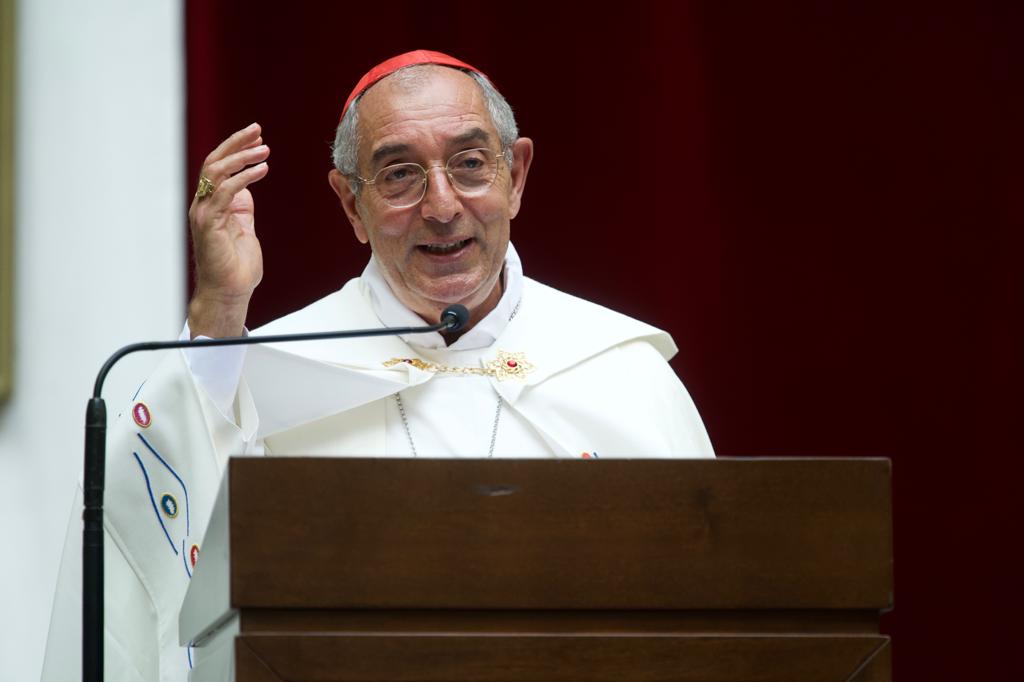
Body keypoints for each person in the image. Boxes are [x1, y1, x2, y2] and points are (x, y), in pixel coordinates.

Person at [43, 50, 714, 681]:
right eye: (399, 175)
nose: (442, 206)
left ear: (516, 177)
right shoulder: (270, 373)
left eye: (470, 164)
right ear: (351, 204)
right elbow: (157, 536)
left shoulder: (620, 372)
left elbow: (710, 614)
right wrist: (219, 311)